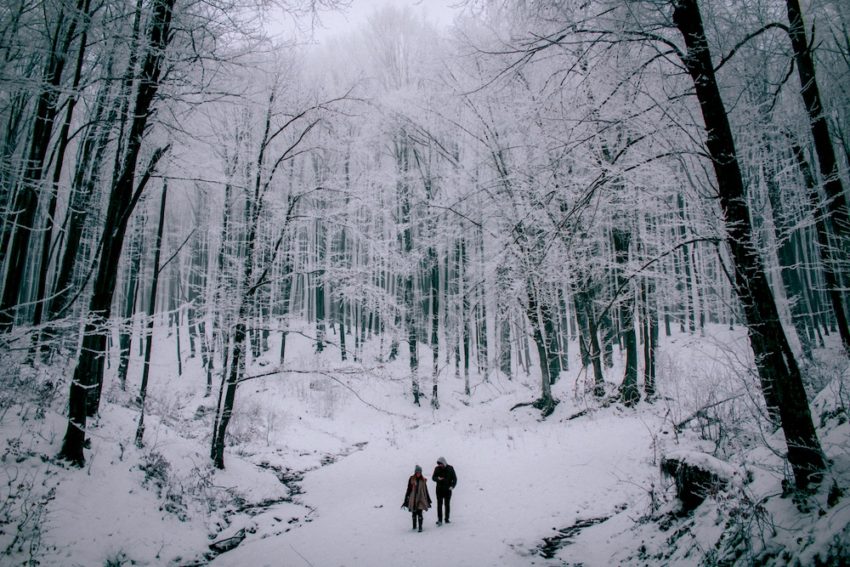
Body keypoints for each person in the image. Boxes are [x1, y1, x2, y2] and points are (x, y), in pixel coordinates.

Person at [402, 465, 431, 532]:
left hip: (421, 498)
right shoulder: (411, 479)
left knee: (420, 512)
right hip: (413, 498)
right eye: (417, 472)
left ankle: (420, 527)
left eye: (419, 472)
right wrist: (406, 498)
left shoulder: (423, 480)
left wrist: (428, 499)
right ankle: (414, 526)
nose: (418, 473)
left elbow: (425, 489)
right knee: (414, 513)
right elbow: (408, 489)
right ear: (415, 472)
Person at [432, 456, 457, 526]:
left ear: (444, 463)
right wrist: (438, 478)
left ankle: (447, 519)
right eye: (439, 464)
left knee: (447, 505)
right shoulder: (437, 469)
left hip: (448, 490)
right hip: (439, 490)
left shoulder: (450, 468)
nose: (440, 465)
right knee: (439, 505)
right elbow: (433, 478)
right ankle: (439, 520)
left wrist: (452, 486)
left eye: (441, 464)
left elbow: (455, 479)